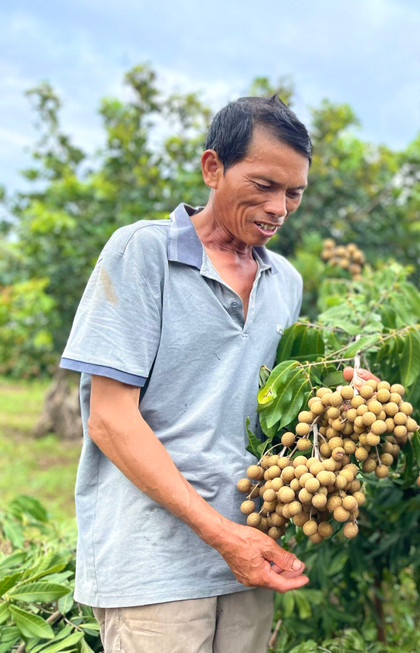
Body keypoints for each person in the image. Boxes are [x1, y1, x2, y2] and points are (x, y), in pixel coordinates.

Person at [60, 95, 313, 652]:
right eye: (264, 185)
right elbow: (109, 418)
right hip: (154, 563)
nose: (280, 208)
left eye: (294, 193)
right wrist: (223, 536)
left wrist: (338, 397)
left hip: (250, 555)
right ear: (213, 168)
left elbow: (267, 405)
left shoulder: (285, 281)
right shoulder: (142, 251)